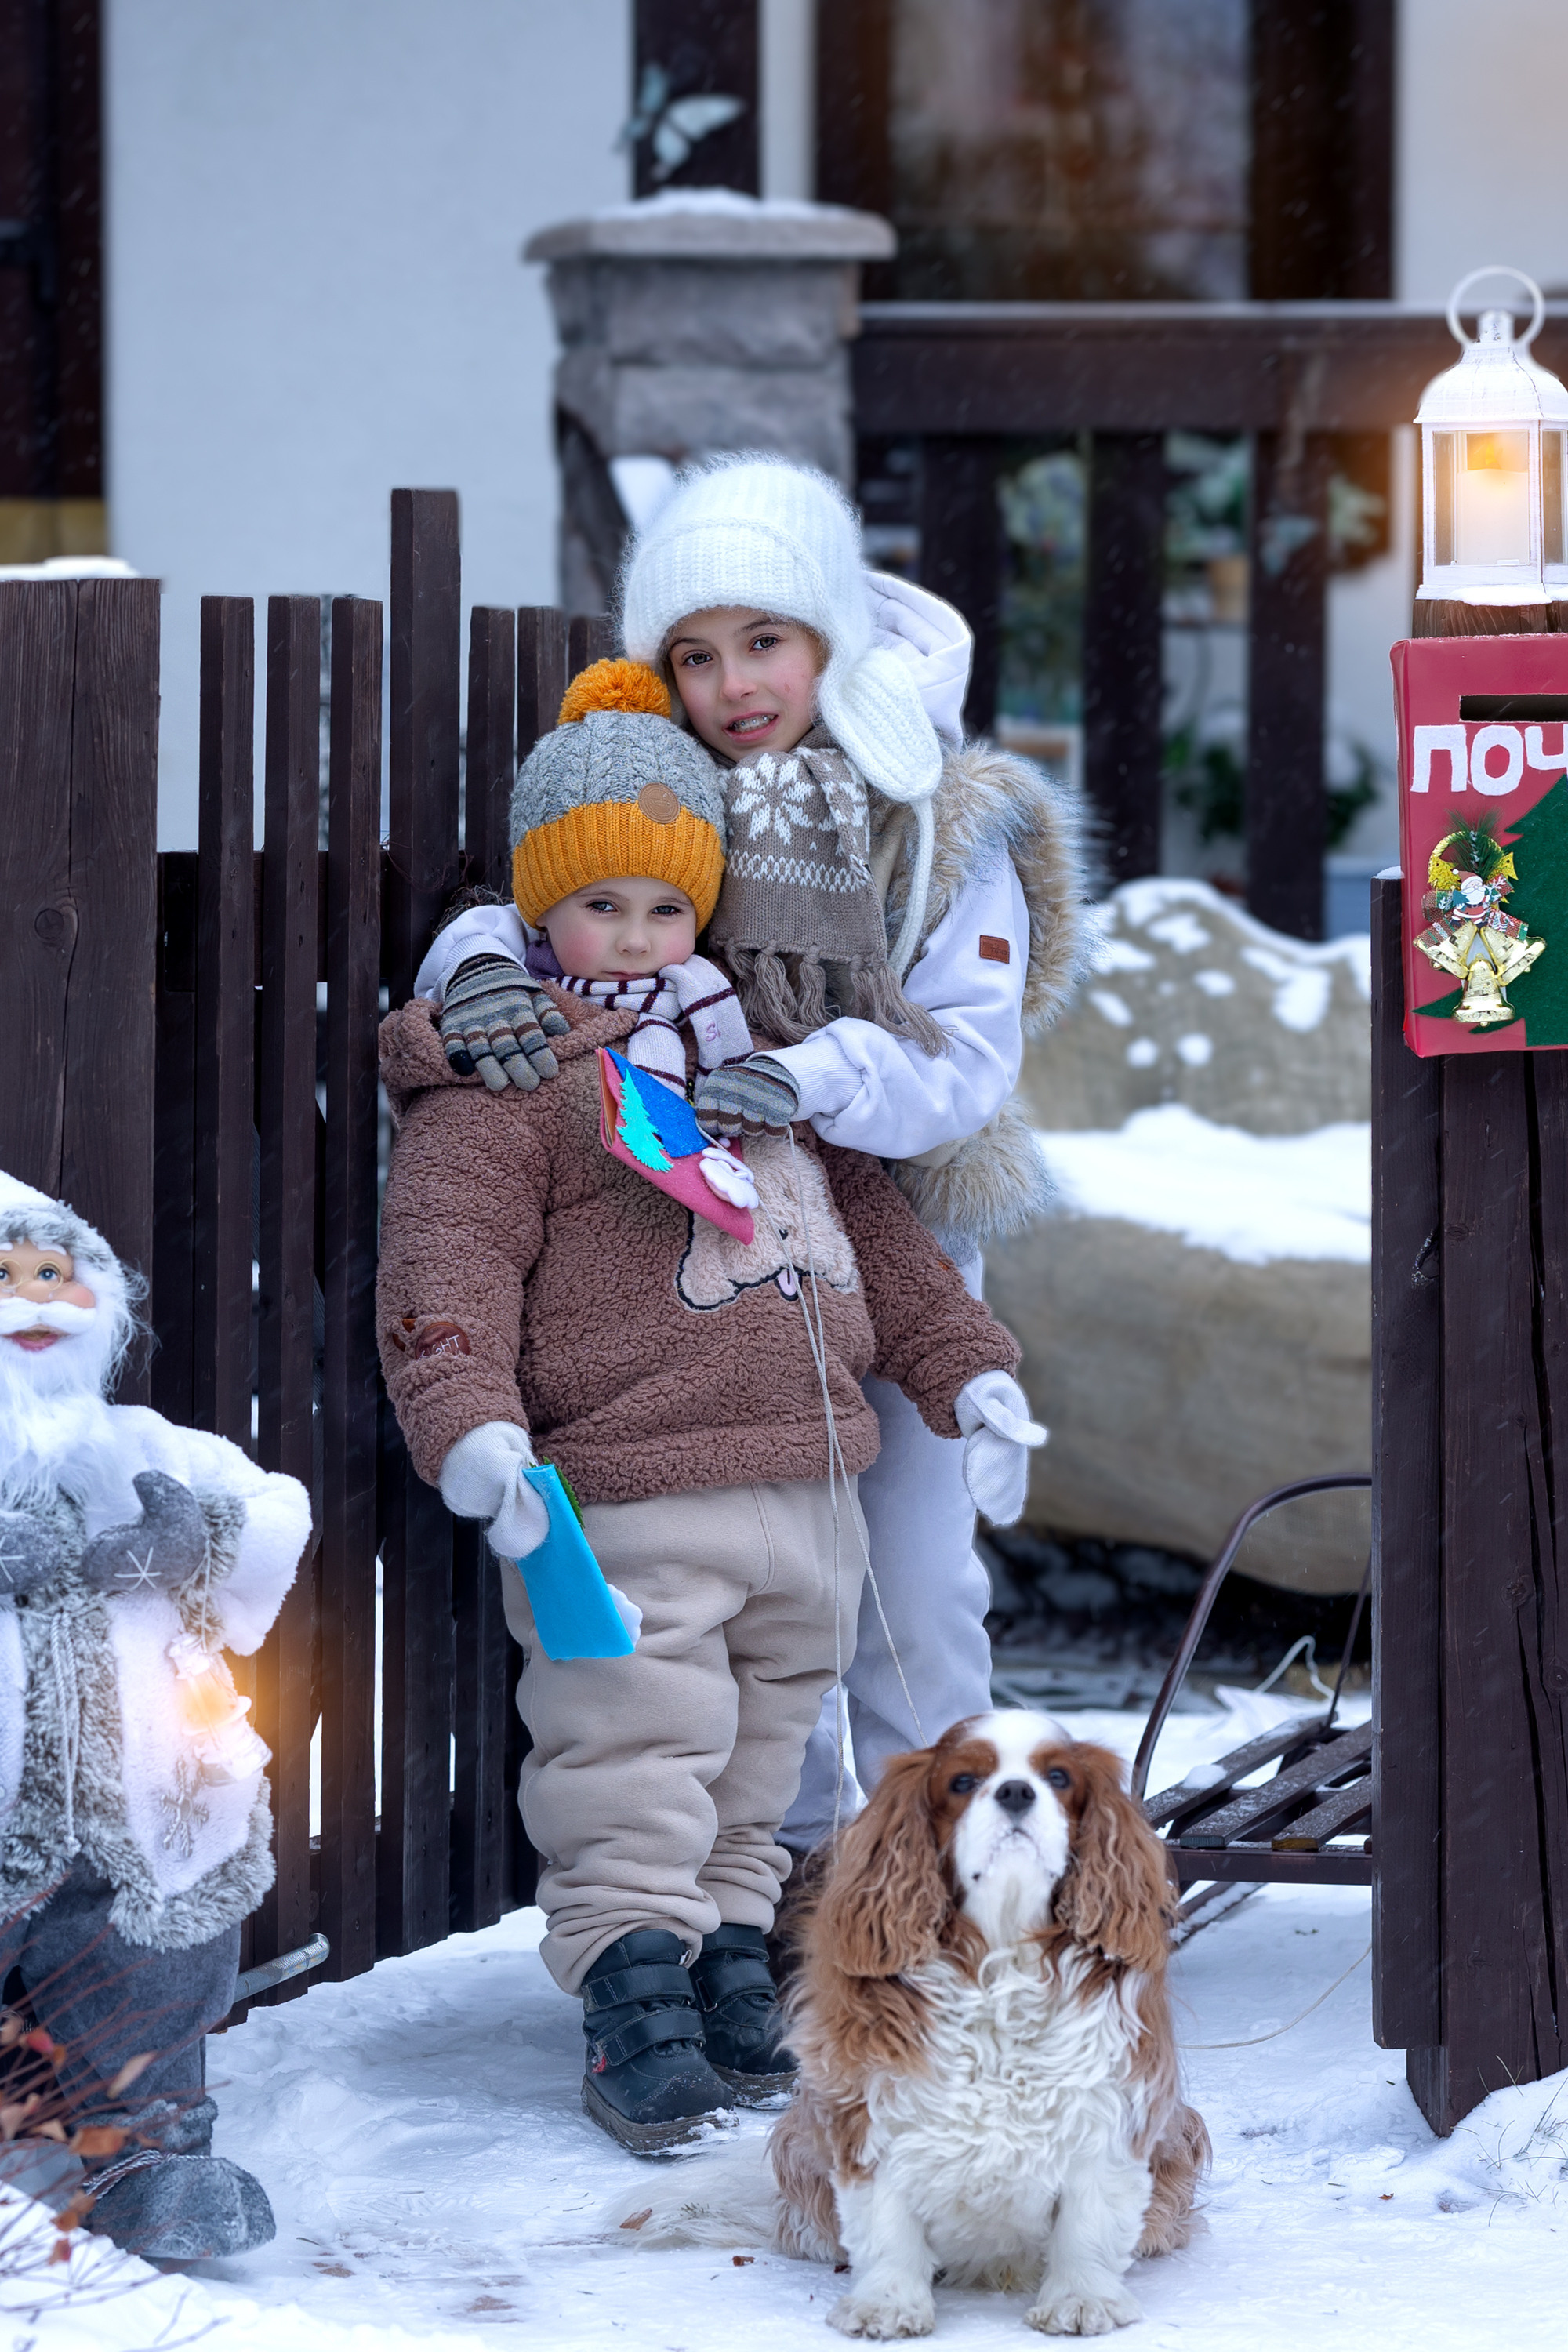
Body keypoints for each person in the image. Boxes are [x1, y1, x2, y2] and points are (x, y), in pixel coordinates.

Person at [376, 666, 1043, 2154]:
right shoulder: (512, 1085)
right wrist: (467, 1414)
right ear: (539, 914)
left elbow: (876, 1234)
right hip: (633, 1481)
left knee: (757, 1759)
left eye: (665, 908)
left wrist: (966, 1367)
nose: (633, 936)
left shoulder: (747, 1061)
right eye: (598, 904)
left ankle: (734, 1965)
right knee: (631, 1744)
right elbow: (447, 1265)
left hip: (808, 1486)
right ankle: (634, 1995)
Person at [416, 456, 1086, 1854]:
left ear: (829, 634)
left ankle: (935, 1872)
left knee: (905, 1585)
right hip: (703, 1250)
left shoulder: (931, 820)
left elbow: (966, 1064)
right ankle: (770, 1885)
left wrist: (808, 1073)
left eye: (765, 641)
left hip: (885, 1230)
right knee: (753, 1583)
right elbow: (557, 898)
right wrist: (475, 964)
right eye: (696, 654)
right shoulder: (668, 788)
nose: (735, 684)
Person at [0, 1170, 310, 2259]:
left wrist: (199, 1540)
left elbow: (275, 1509)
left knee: (145, 1966)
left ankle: (146, 2149)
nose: (33, 1300)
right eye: (5, 1276)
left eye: (55, 1273)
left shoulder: (139, 1443)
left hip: (136, 1816)